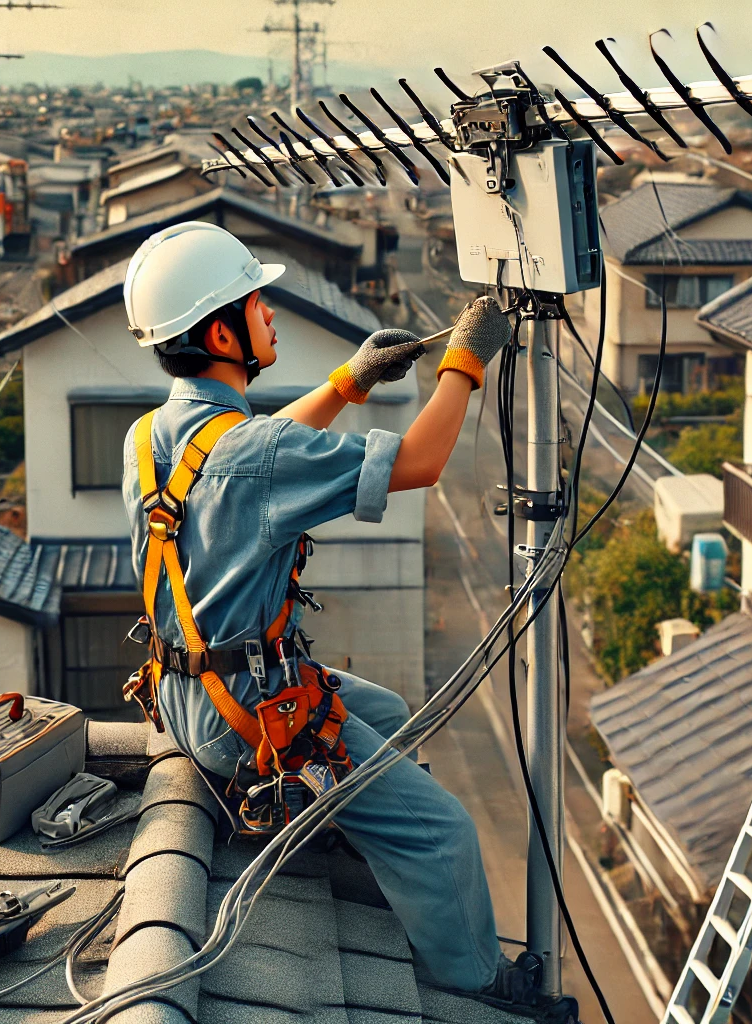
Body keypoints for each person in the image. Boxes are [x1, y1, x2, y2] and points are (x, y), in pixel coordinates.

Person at [119, 222, 567, 1017]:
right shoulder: (252, 454)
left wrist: (347, 384)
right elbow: (419, 463)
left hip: (188, 700)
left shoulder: (148, 438)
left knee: (389, 714)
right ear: (220, 332)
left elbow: (244, 456)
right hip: (249, 719)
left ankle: (339, 818)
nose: (271, 317)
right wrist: (464, 362)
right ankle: (481, 989)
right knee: (443, 834)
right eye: (258, 307)